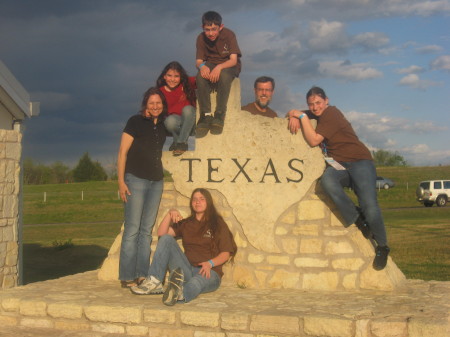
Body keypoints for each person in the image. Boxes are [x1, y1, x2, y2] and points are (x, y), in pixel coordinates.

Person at [287, 86, 390, 270]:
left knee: (370, 206)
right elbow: (298, 113)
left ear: (327, 100)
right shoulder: (318, 114)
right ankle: (358, 218)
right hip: (341, 166)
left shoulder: (332, 113)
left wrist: (301, 117)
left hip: (360, 162)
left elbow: (314, 140)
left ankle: (382, 246)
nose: (315, 107)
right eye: (311, 104)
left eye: (318, 102)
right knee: (327, 181)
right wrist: (295, 114)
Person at [130, 188, 237, 306]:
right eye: (195, 199)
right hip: (186, 270)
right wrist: (170, 214)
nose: (198, 202)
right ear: (191, 203)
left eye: (202, 199)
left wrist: (210, 263)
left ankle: (180, 294)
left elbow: (226, 253)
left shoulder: (217, 224)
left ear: (208, 202)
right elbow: (161, 234)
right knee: (166, 239)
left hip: (209, 272)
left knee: (197, 282)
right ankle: (155, 282)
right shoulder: (187, 223)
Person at [117, 87, 167, 288]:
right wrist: (121, 182)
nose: (155, 106)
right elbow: (122, 152)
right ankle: (127, 276)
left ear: (163, 105)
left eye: (159, 103)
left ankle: (141, 274)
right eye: (152, 103)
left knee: (146, 231)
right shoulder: (135, 122)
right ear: (146, 104)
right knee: (132, 229)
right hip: (135, 179)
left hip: (157, 181)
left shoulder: (164, 124)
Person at [195, 11, 242, 137]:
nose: (210, 33)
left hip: (229, 64)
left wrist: (219, 67)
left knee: (224, 76)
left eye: (214, 29)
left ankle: (220, 113)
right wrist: (202, 66)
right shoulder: (200, 38)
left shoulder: (229, 35)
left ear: (221, 27)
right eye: (207, 29)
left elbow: (233, 60)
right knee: (200, 77)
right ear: (203, 28)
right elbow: (198, 61)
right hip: (210, 63)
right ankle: (205, 115)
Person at [156, 61, 197, 156]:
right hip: (176, 126)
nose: (172, 79)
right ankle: (177, 142)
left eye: (176, 76)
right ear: (164, 76)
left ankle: (181, 143)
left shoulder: (187, 84)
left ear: (181, 77)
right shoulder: (160, 92)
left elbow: (202, 78)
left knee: (187, 109)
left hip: (192, 123)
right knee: (170, 120)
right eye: (169, 75)